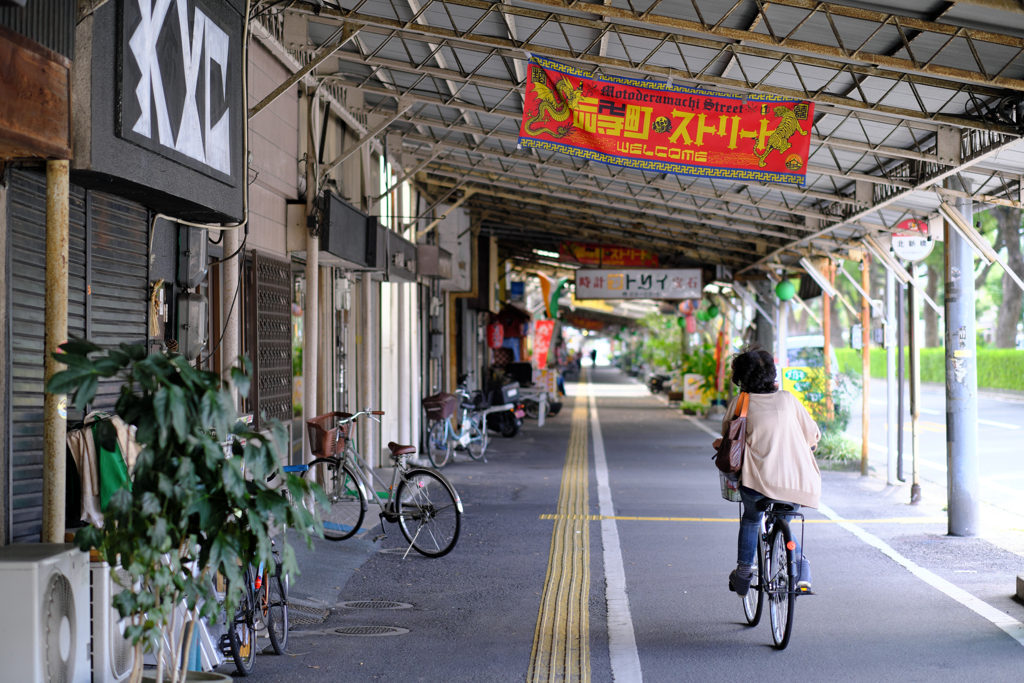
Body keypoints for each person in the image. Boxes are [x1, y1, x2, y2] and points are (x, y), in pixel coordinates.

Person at [722, 343, 821, 596]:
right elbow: (813, 435)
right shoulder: (788, 400)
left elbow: (727, 438)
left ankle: (744, 572)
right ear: (772, 375)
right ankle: (800, 568)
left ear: (741, 378)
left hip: (757, 483)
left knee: (752, 518)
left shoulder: (741, 402)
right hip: (798, 482)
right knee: (785, 519)